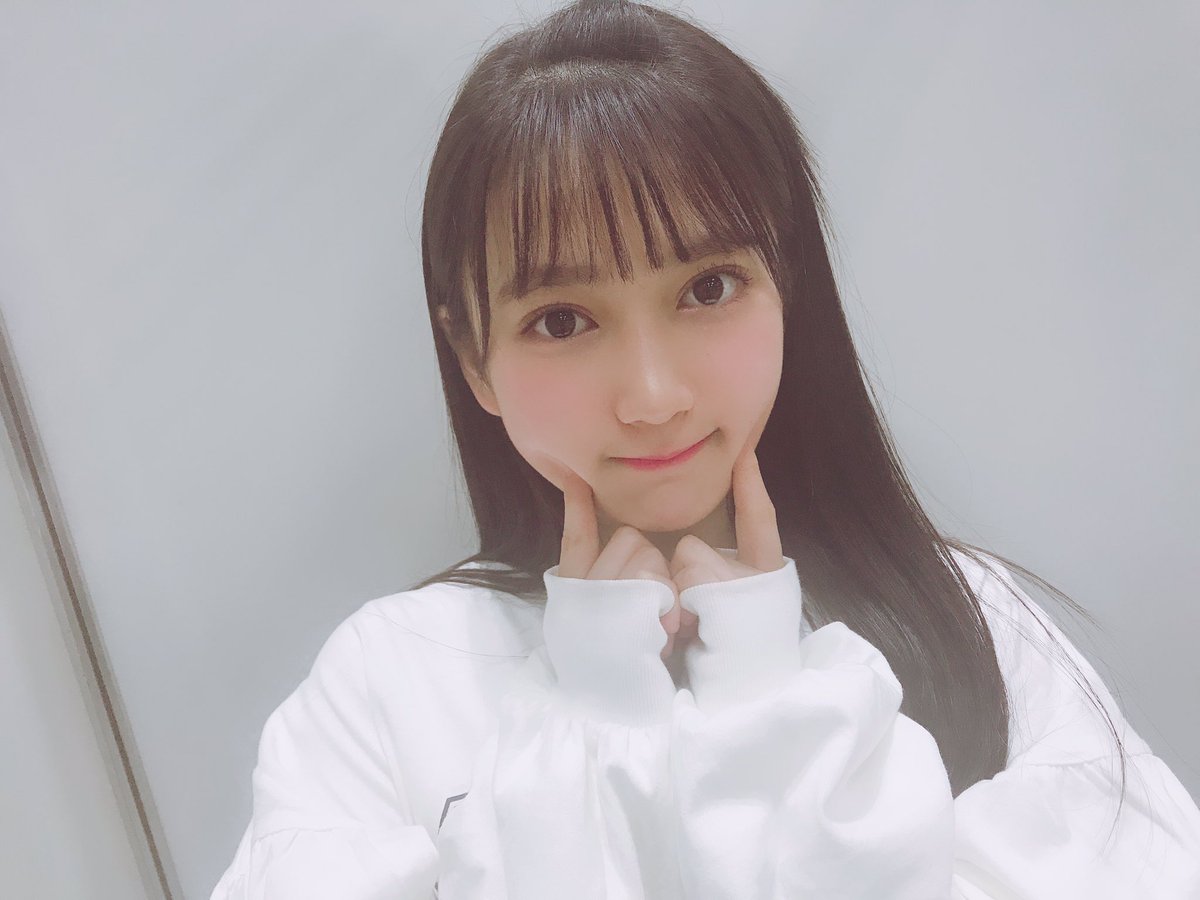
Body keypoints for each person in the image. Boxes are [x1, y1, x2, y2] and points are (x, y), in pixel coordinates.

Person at [210, 0, 1200, 896]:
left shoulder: (970, 616)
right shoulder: (391, 678)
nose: (653, 397)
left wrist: (766, 694)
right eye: (562, 320)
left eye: (708, 289)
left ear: (786, 289)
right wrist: (592, 714)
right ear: (473, 358)